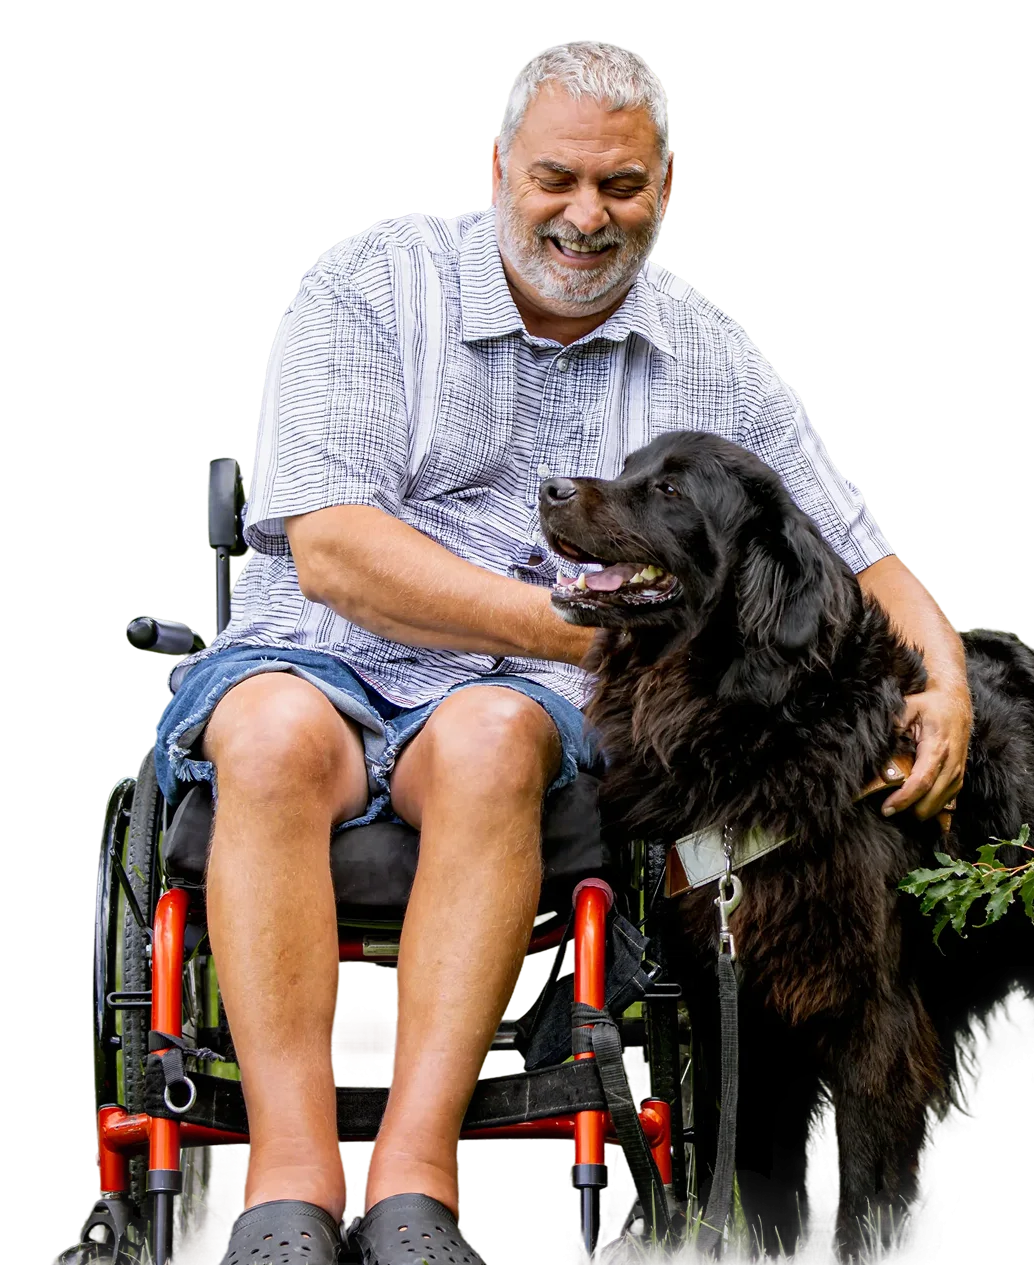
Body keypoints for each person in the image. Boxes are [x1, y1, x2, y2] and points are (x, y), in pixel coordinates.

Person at [150, 38, 973, 1261]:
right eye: (557, 179)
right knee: (267, 734)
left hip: (515, 701)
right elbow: (331, 549)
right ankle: (290, 1175)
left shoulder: (707, 345)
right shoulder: (370, 281)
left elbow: (863, 555)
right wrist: (564, 625)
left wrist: (945, 683)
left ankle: (415, 1180)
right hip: (316, 650)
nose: (586, 215)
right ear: (499, 171)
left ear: (664, 190)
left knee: (495, 737)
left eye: (621, 186)